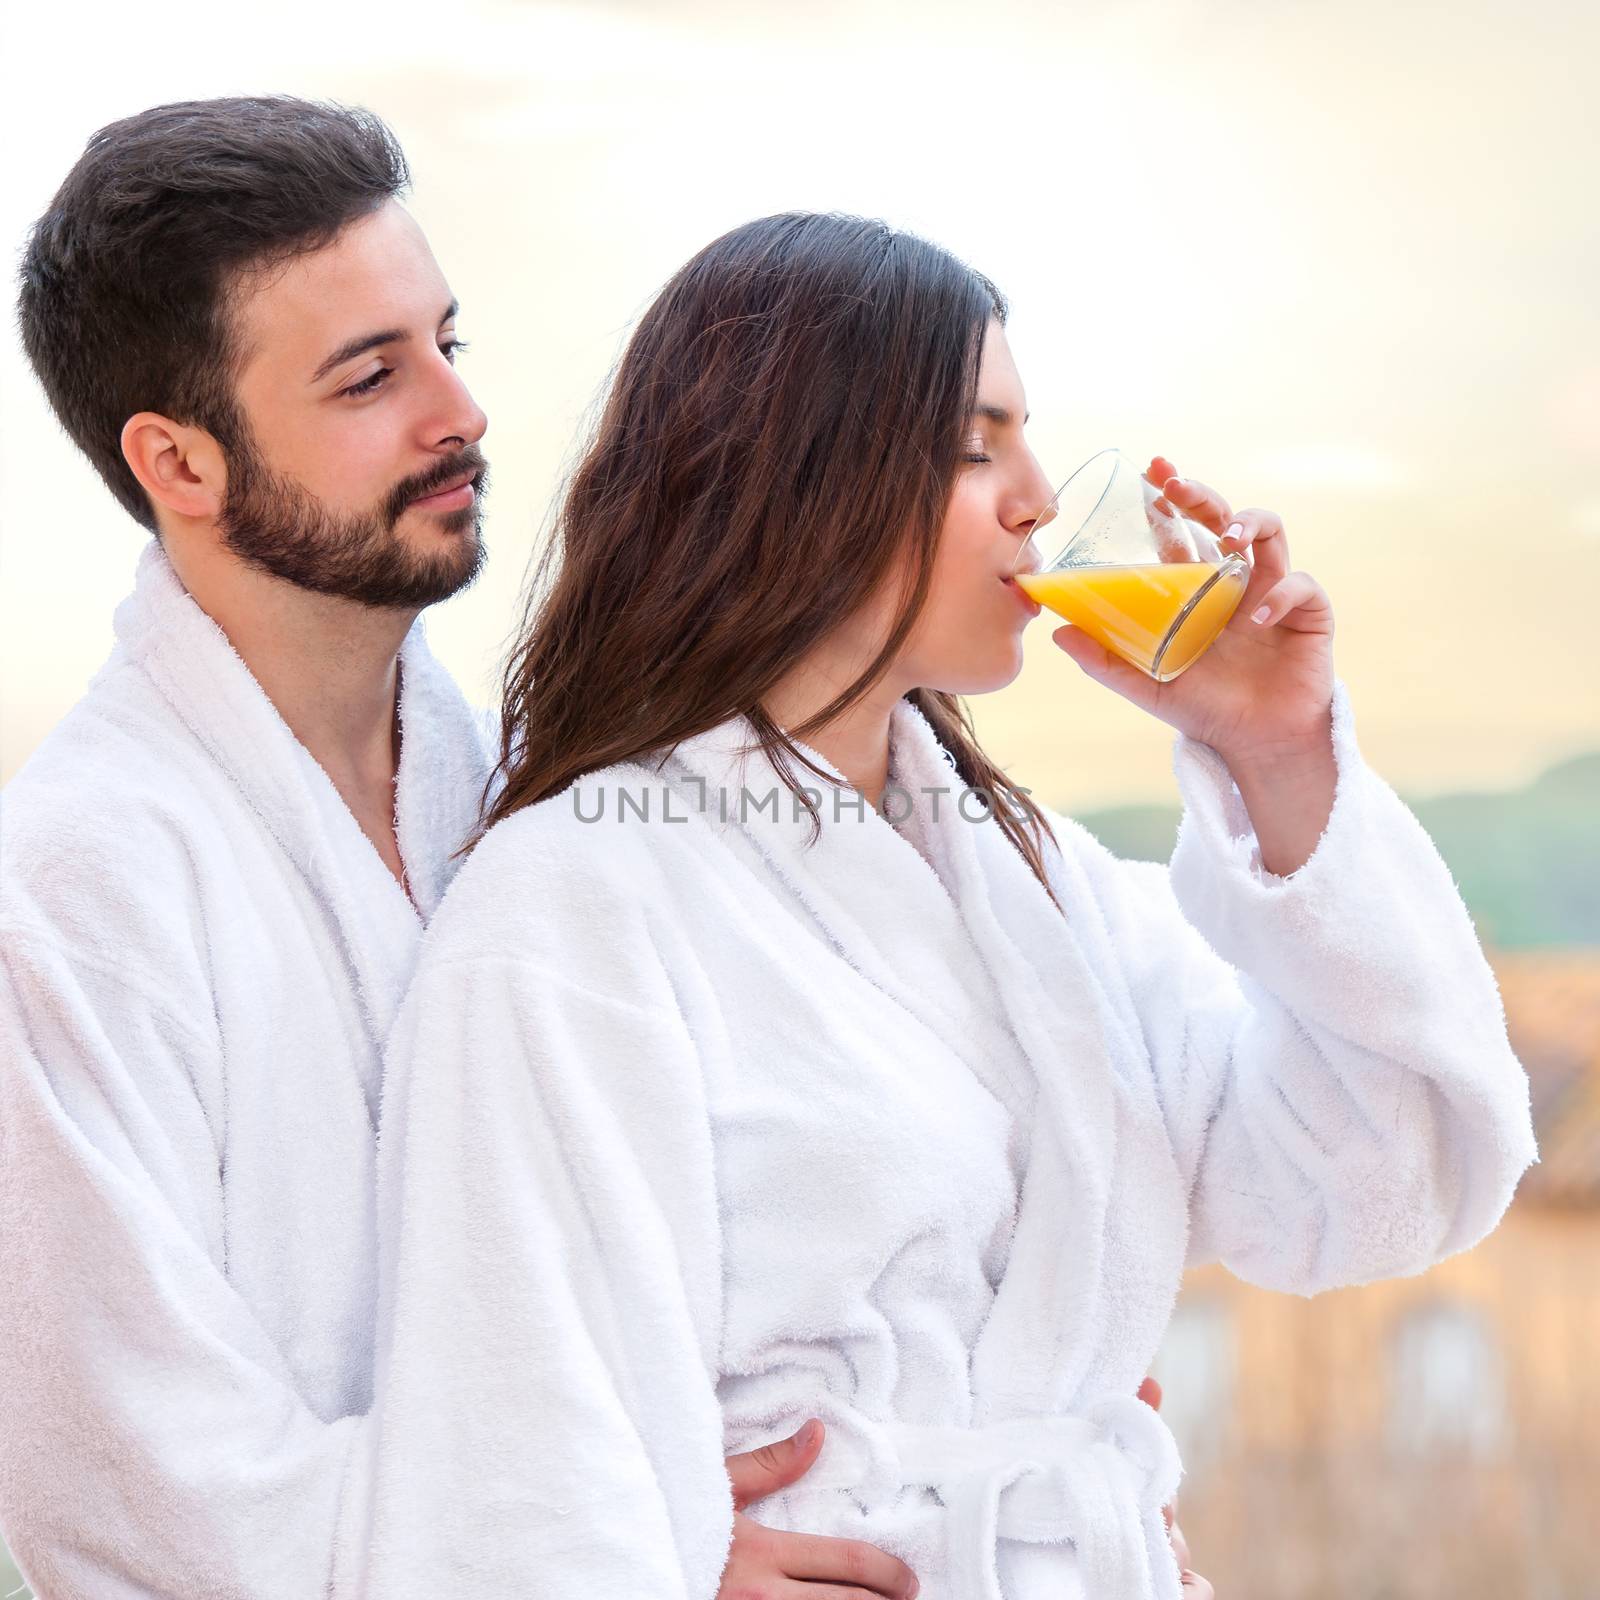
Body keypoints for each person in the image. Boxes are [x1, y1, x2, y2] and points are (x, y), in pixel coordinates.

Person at [351, 211, 1541, 1598]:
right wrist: (662, 1564)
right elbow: (498, 1434)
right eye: (975, 447)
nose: (1037, 496)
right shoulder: (573, 904)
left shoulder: (1046, 892)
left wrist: (1276, 753)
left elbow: (1383, 1185)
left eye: (1026, 440)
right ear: (789, 475)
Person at [0, 100, 934, 1600]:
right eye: (371, 376)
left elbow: (758, 1216)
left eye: (448, 342)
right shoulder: (76, 892)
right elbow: (147, 1494)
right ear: (181, 463)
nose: (460, 411)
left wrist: (985, 1421)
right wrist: (632, 1545)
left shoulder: (522, 794)